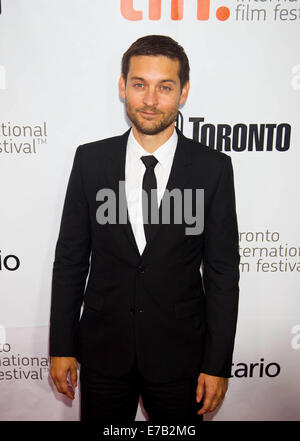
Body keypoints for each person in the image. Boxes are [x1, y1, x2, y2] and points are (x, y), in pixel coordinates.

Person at [49, 35, 240, 422]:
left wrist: (217, 363)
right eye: (139, 84)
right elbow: (70, 258)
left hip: (181, 357)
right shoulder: (90, 161)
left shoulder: (213, 168)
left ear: (183, 92)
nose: (150, 100)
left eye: (164, 87)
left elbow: (222, 273)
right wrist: (61, 344)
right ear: (122, 87)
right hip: (102, 354)